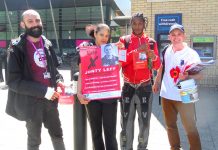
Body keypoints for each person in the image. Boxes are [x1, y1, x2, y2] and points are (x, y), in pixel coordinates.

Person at [5, 9, 65, 150]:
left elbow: (54, 71)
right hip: (31, 103)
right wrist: (44, 91)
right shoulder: (16, 47)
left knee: (58, 135)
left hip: (51, 101)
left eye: (37, 20)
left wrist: (59, 81)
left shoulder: (47, 43)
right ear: (22, 24)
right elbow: (13, 82)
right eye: (30, 21)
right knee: (34, 141)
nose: (35, 24)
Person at [153, 23, 202, 150]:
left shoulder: (191, 53)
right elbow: (162, 67)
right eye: (173, 35)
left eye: (179, 34)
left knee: (190, 127)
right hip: (166, 93)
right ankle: (175, 147)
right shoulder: (166, 50)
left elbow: (199, 76)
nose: (176, 37)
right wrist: (157, 82)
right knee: (170, 126)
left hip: (187, 91)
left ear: (184, 36)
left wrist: (188, 76)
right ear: (169, 37)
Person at [118, 13, 161, 150]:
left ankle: (142, 147)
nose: (137, 27)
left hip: (145, 87)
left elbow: (156, 65)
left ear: (144, 24)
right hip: (128, 87)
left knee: (144, 123)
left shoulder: (151, 42)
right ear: (131, 24)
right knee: (126, 123)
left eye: (140, 23)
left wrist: (153, 56)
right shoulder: (124, 41)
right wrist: (137, 50)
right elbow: (121, 61)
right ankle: (126, 148)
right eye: (134, 23)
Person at [77, 24, 118, 150]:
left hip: (109, 97)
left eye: (107, 35)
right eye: (101, 35)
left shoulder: (111, 50)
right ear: (95, 34)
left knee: (110, 134)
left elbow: (117, 71)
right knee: (96, 133)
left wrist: (120, 53)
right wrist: (79, 92)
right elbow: (81, 73)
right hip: (92, 98)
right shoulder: (86, 50)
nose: (104, 38)